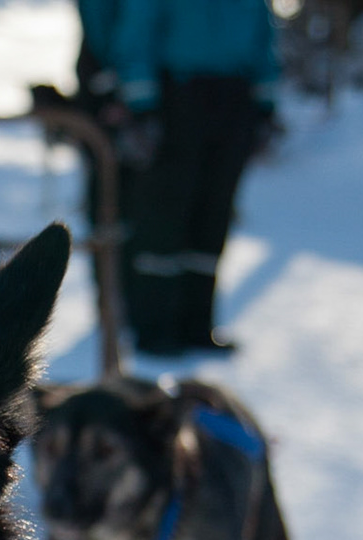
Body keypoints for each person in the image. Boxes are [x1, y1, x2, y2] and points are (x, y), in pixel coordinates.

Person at [110, 0, 282, 355]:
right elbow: (136, 36)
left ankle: (196, 325)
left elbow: (265, 38)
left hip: (235, 98)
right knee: (163, 216)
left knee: (213, 213)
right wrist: (143, 105)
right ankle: (153, 328)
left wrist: (266, 103)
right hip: (177, 98)